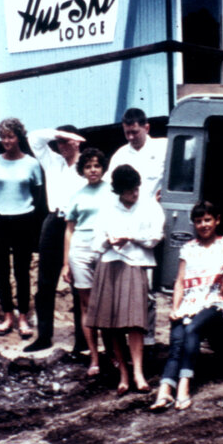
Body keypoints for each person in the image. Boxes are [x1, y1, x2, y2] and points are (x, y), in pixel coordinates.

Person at [151, 201, 223, 411]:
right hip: (191, 302)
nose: (203, 225)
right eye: (199, 221)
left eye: (208, 220)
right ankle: (165, 389)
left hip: (216, 301)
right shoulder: (188, 248)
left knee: (192, 328)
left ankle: (184, 385)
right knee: (177, 338)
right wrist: (175, 307)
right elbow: (180, 281)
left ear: (217, 220)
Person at [86, 165, 164, 394]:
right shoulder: (107, 208)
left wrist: (131, 237)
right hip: (109, 265)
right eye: (130, 191)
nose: (135, 194)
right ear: (118, 191)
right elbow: (95, 242)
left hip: (135, 266)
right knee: (113, 325)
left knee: (135, 323)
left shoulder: (149, 205)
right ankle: (124, 375)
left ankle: (139, 373)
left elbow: (155, 237)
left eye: (136, 189)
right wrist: (109, 241)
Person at [107, 107, 168, 346]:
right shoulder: (120, 155)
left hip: (153, 219)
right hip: (126, 219)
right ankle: (125, 341)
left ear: (146, 127)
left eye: (134, 132)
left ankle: (149, 340)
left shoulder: (163, 147)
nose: (131, 137)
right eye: (127, 133)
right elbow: (109, 190)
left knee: (148, 288)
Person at [25, 124, 88, 353]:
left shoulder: (86, 165)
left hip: (79, 224)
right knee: (45, 283)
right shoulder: (53, 162)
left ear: (77, 141)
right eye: (59, 142)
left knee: (79, 282)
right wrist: (59, 134)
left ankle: (83, 339)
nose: (62, 146)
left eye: (66, 142)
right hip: (54, 221)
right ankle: (44, 335)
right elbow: (33, 137)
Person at [0, 118, 43, 339]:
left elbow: (37, 193)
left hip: (23, 219)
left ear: (19, 137)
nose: (6, 141)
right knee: (1, 270)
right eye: (3, 136)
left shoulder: (31, 163)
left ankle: (23, 317)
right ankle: (7, 315)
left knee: (21, 270)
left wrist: (22, 207)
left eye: (10, 136)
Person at [62, 147, 113, 376]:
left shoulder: (113, 191)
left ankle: (113, 353)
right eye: (88, 166)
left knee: (108, 304)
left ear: (103, 168)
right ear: (82, 170)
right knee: (88, 306)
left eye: (96, 165)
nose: (93, 170)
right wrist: (66, 263)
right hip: (80, 251)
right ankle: (94, 357)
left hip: (105, 250)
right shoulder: (77, 195)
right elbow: (69, 230)